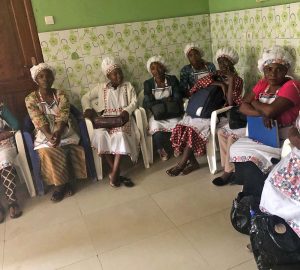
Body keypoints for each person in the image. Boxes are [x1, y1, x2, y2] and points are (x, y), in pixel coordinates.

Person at [230, 45, 300, 197]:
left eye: (278, 69)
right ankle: (250, 194)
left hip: (282, 137)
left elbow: (270, 111)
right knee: (238, 150)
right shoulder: (263, 84)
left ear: (286, 70)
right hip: (260, 133)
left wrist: (256, 103)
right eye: (268, 69)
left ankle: (254, 198)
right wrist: (262, 114)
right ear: (263, 69)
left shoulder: (292, 86)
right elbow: (243, 106)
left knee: (254, 160)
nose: (273, 73)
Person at [167, 47, 243, 176]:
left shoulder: (237, 80)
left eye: (226, 62)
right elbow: (194, 88)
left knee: (192, 129)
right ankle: (192, 162)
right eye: (220, 62)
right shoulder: (214, 75)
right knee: (182, 127)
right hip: (202, 111)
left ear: (232, 63)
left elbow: (231, 102)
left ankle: (182, 163)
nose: (223, 66)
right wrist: (219, 84)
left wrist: (229, 82)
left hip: (218, 114)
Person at [25, 63, 87, 202]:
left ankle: (61, 187)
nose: (45, 79)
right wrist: (48, 135)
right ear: (36, 80)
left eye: (48, 76)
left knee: (65, 146)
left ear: (53, 78)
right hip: (44, 132)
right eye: (41, 76)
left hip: (63, 129)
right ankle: (63, 185)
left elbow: (64, 114)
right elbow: (37, 118)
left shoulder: (61, 94)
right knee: (47, 151)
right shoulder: (30, 98)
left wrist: (58, 132)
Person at [82, 57, 138, 188]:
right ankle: (115, 171)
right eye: (115, 73)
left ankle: (114, 172)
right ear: (108, 75)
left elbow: (134, 102)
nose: (118, 76)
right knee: (100, 135)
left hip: (122, 119)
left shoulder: (128, 86)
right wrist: (88, 109)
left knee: (121, 135)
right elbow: (85, 97)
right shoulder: (101, 87)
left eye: (120, 72)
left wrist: (126, 111)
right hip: (106, 120)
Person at [260, 114, 300, 238]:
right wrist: (293, 134)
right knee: (271, 185)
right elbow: (295, 127)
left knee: (295, 203)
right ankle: (280, 235)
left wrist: (294, 138)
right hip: (295, 159)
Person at [143, 55, 183, 161]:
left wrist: (159, 102)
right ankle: (161, 149)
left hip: (172, 112)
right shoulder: (148, 84)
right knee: (156, 128)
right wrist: (164, 101)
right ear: (150, 71)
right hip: (157, 114)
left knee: (177, 124)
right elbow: (148, 102)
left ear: (164, 67)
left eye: (159, 67)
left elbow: (178, 96)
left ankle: (177, 146)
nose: (156, 70)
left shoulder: (172, 79)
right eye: (153, 68)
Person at [0, 102, 22, 221]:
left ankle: (12, 202)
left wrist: (5, 134)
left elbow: (16, 125)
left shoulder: (1, 108)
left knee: (4, 158)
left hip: (4, 144)